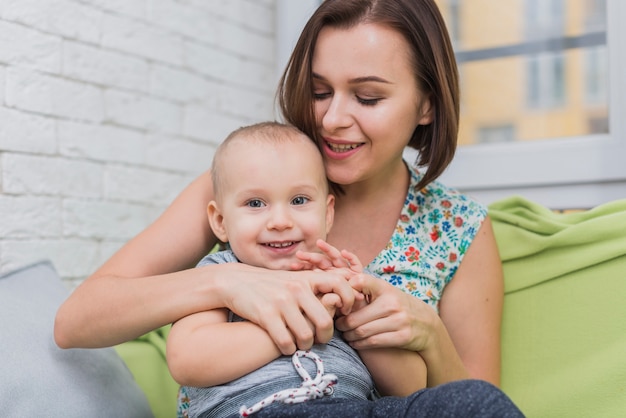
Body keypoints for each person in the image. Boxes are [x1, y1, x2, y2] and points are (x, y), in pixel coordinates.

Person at [55, 0, 524, 416]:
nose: (333, 119)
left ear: (426, 104)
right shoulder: (247, 188)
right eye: (320, 91)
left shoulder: (457, 227)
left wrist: (429, 335)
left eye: (368, 97)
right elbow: (76, 322)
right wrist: (227, 282)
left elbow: (469, 401)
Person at [168, 121, 428, 417]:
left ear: (328, 213)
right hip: (260, 409)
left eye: (299, 200)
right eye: (255, 203)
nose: (280, 221)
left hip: (356, 409)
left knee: (472, 397)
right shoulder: (221, 273)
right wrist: (304, 322)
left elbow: (411, 388)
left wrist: (356, 314)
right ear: (221, 222)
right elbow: (187, 358)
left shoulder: (344, 282)